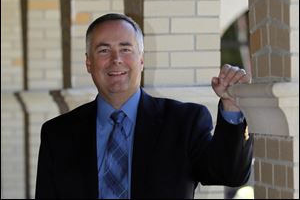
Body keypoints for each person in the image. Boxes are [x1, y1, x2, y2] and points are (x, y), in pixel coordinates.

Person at [35, 13, 253, 199]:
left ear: (141, 59)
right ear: (88, 63)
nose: (116, 59)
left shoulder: (183, 122)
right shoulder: (57, 134)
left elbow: (229, 173)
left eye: (125, 49)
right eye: (103, 50)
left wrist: (231, 106)